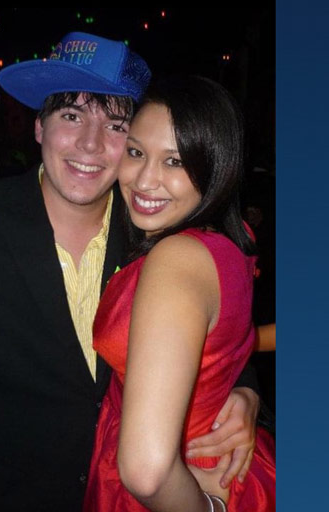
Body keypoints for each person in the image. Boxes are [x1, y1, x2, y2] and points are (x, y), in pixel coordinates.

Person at [0, 32, 262, 511]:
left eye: (115, 126)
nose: (91, 144)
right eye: (71, 116)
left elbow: (214, 327)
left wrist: (246, 389)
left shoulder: (156, 226)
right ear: (38, 127)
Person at [83, 76, 276, 511]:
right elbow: (225, 342)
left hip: (180, 487)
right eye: (136, 153)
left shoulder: (177, 257)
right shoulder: (227, 240)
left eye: (174, 161)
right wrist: (244, 389)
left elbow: (146, 471)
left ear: (215, 166)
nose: (145, 180)